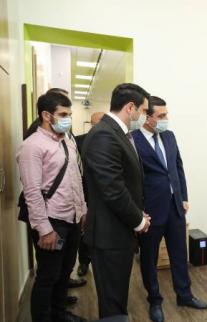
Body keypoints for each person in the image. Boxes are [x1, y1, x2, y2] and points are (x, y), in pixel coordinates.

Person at [131, 96, 207, 322]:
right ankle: (154, 300)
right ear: (146, 117)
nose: (166, 119)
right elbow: (132, 179)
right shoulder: (132, 140)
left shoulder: (169, 136)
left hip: (175, 208)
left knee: (179, 255)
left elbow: (178, 167)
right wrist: (138, 211)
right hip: (150, 211)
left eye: (167, 114)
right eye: (161, 116)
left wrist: (183, 196)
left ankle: (184, 295)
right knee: (149, 258)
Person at [82, 83, 151, 318]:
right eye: (143, 110)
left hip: (117, 233)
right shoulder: (104, 134)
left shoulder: (117, 133)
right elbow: (113, 189)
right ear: (130, 107)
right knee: (112, 304)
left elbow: (126, 182)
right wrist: (138, 221)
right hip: (108, 236)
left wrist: (138, 214)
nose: (143, 116)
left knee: (117, 297)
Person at [17, 91, 87, 322]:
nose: (68, 119)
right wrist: (44, 229)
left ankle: (59, 314)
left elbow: (76, 177)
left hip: (72, 218)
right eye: (63, 114)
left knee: (65, 271)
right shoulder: (32, 146)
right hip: (52, 221)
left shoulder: (67, 141)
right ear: (46, 115)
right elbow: (32, 192)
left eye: (69, 114)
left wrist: (83, 210)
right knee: (48, 275)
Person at [74, 111, 105, 277]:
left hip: (106, 194)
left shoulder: (113, 140)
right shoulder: (78, 141)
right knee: (85, 229)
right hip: (85, 192)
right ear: (91, 124)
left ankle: (102, 263)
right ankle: (84, 262)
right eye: (97, 122)